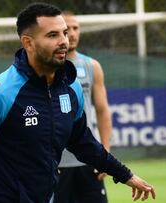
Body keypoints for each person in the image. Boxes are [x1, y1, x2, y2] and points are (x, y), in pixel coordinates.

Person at [0, 3, 156, 203]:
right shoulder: (1, 93)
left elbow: (83, 143)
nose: (64, 40)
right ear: (28, 43)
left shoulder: (71, 87)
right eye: (53, 35)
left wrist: (125, 175)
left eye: (64, 32)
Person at [53, 11, 112, 203]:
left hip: (89, 160)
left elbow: (102, 110)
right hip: (56, 163)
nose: (72, 33)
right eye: (66, 29)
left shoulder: (91, 66)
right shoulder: (46, 67)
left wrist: (105, 152)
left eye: (75, 28)